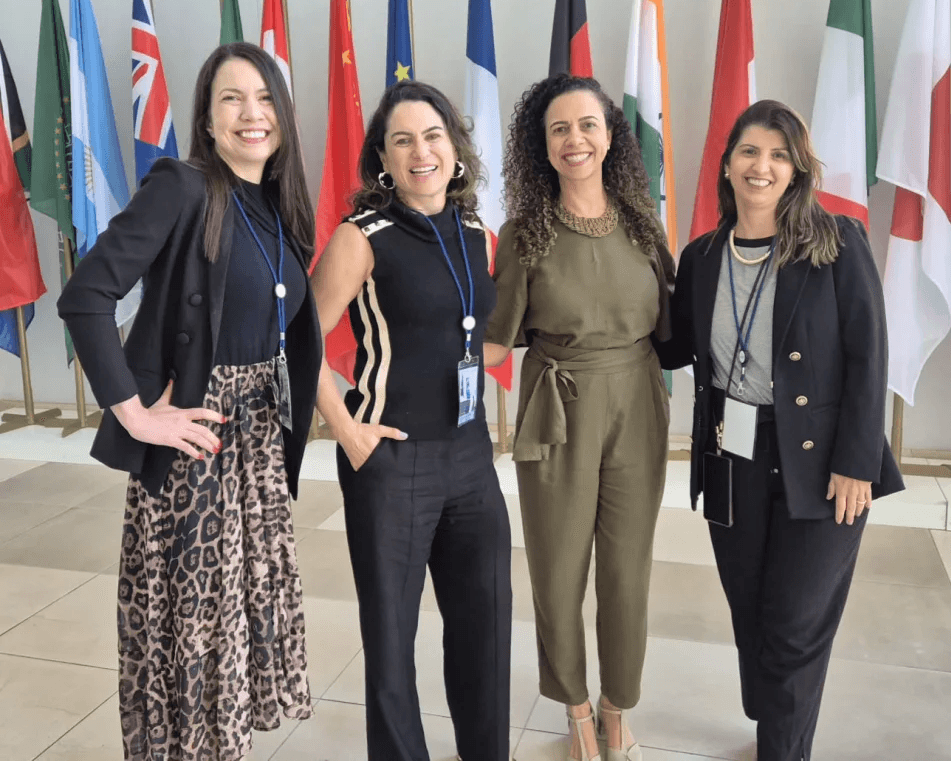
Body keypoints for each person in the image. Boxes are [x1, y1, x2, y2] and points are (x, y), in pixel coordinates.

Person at [57, 42, 322, 760]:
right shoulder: (182, 187)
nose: (251, 113)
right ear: (206, 120)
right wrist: (135, 412)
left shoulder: (279, 205)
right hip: (197, 449)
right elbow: (86, 295)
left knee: (237, 629)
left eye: (263, 98)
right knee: (196, 632)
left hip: (256, 451)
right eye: (231, 98)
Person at [655, 99, 905, 760]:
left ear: (796, 169)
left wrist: (857, 461)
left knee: (795, 622)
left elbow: (869, 355)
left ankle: (782, 746)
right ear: (727, 165)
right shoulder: (703, 255)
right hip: (731, 457)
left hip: (823, 463)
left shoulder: (836, 242)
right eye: (749, 151)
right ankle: (772, 715)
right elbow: (670, 346)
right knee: (751, 608)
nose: (761, 166)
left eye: (778, 154)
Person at [312, 80, 511, 761]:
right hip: (391, 459)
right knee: (393, 640)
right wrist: (346, 429)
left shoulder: (477, 232)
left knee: (486, 624)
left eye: (432, 136)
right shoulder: (361, 237)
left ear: (455, 149)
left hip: (470, 455)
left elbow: (472, 337)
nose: (420, 151)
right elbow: (300, 340)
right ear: (384, 159)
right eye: (402, 140)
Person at [484, 74, 674, 761]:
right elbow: (495, 342)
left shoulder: (643, 224)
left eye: (588, 125)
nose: (575, 140)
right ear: (541, 145)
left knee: (627, 569)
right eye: (558, 129)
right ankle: (577, 708)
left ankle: (618, 704)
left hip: (637, 402)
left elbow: (674, 324)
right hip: (557, 407)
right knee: (558, 569)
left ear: (610, 136)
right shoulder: (524, 235)